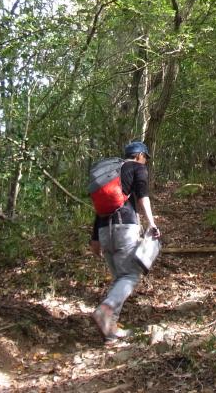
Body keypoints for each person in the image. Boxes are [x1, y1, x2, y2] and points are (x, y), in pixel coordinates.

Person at [90, 140, 161, 342]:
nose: (145, 162)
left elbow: (100, 209)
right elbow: (143, 197)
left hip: (104, 231)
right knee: (130, 275)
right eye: (145, 158)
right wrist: (152, 223)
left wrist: (95, 239)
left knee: (119, 278)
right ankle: (106, 309)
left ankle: (110, 329)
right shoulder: (137, 168)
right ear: (139, 156)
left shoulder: (111, 174)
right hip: (125, 228)